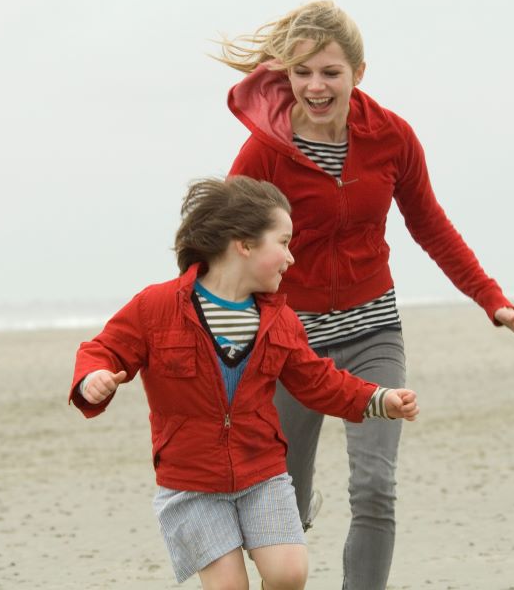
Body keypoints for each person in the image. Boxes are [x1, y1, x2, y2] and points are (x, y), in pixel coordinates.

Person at [214, 0, 514, 589]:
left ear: (359, 72)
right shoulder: (266, 151)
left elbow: (431, 226)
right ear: (287, 75)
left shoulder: (392, 138)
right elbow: (223, 242)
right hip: (293, 345)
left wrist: (496, 304)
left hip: (373, 334)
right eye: (302, 73)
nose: (316, 86)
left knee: (375, 486)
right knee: (283, 502)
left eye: (330, 72)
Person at [69, 176, 420, 590]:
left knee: (289, 574)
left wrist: (379, 399)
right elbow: (104, 349)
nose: (292, 257)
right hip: (192, 482)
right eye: (284, 242)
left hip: (261, 472)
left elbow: (316, 380)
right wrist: (92, 378)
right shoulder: (157, 306)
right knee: (229, 587)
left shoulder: (280, 320)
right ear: (245, 244)